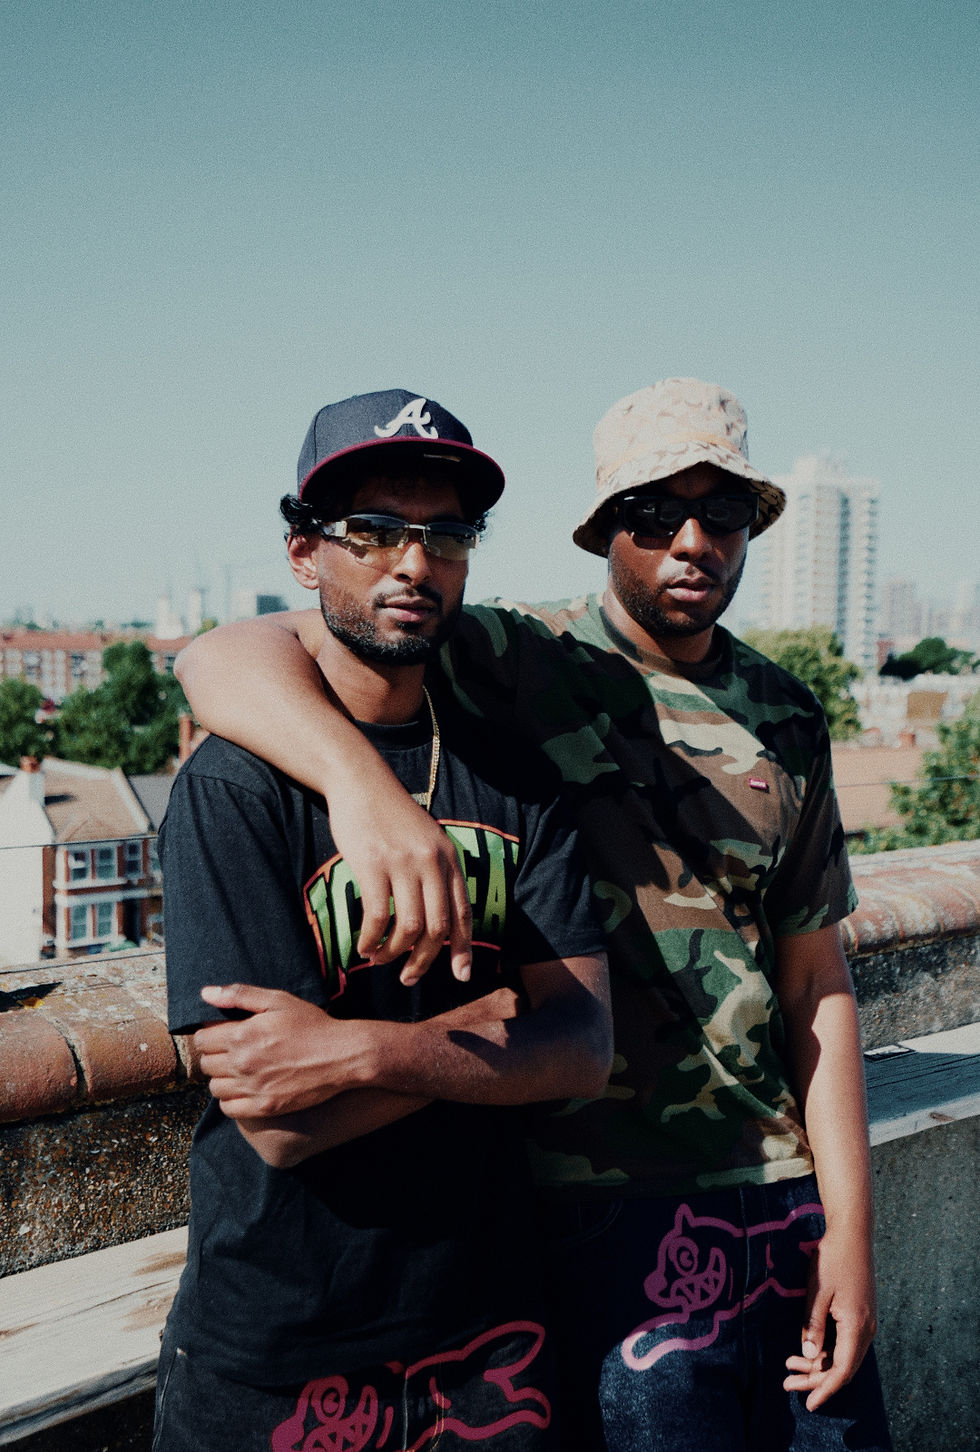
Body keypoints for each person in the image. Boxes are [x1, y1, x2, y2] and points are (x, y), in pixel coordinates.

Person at [175, 378, 892, 1451]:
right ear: (604, 528)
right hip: (596, 1201)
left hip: (776, 1185)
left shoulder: (785, 714)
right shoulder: (523, 659)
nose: (692, 541)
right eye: (653, 513)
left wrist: (852, 1232)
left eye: (723, 512)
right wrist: (362, 789)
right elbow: (220, 655)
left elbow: (814, 983)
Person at [155, 388, 612, 1452]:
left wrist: (360, 1051)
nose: (414, 563)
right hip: (279, 1343)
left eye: (446, 535)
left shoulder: (516, 779)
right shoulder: (234, 788)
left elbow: (583, 1049)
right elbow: (276, 1114)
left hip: (487, 1330)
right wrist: (496, 1025)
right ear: (304, 553)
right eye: (372, 532)